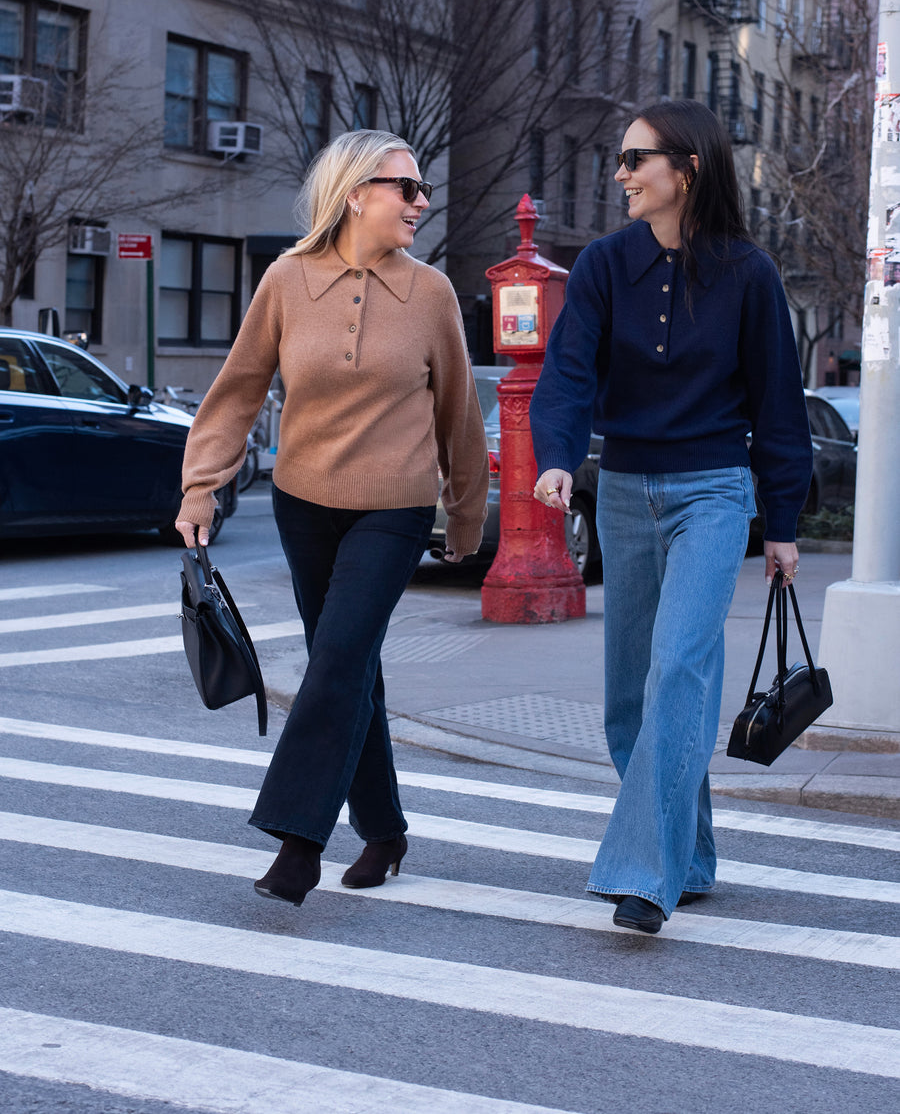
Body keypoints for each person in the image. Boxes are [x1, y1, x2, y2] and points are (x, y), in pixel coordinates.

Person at [175, 129, 489, 908]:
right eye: (406, 189)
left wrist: (467, 517)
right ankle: (384, 827)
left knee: (339, 659)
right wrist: (201, 485)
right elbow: (239, 388)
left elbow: (459, 414)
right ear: (356, 193)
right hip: (304, 501)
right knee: (344, 664)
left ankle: (298, 838)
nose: (422, 202)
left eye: (422, 191)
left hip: (396, 505)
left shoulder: (432, 294)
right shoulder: (287, 279)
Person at [529, 100, 812, 935]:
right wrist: (555, 453)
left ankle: (642, 875)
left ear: (684, 168)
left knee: (678, 671)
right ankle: (689, 855)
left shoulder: (749, 274)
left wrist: (784, 521)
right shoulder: (604, 266)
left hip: (714, 493)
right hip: (624, 488)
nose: (621, 173)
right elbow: (570, 369)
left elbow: (779, 406)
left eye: (634, 159)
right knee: (629, 696)